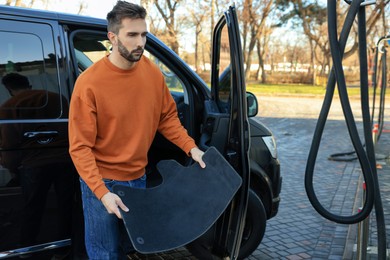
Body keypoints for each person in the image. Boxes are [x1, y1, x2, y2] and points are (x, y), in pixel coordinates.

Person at [68, 1, 206, 259]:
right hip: (102, 181)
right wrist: (102, 193)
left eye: (143, 34)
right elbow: (80, 147)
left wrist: (191, 148)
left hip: (138, 177)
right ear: (112, 37)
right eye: (132, 35)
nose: (140, 42)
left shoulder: (152, 74)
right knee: (104, 253)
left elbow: (167, 118)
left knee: (130, 247)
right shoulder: (89, 84)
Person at [0, 73, 76, 254]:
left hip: (34, 164)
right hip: (64, 160)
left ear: (9, 89)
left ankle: (28, 246)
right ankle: (65, 246)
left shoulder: (9, 107)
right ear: (29, 83)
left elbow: (9, 143)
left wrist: (12, 168)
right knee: (66, 205)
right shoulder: (58, 98)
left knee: (32, 207)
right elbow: (73, 128)